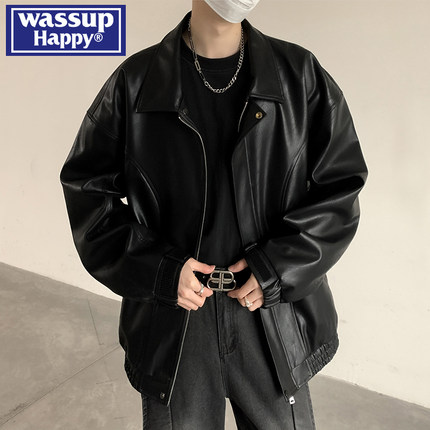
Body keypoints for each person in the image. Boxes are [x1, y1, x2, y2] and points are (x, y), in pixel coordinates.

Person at [60, 0, 367, 428]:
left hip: (269, 314)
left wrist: (278, 267)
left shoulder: (299, 75)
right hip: (177, 319)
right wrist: (161, 270)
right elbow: (87, 192)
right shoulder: (137, 82)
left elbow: (340, 187)